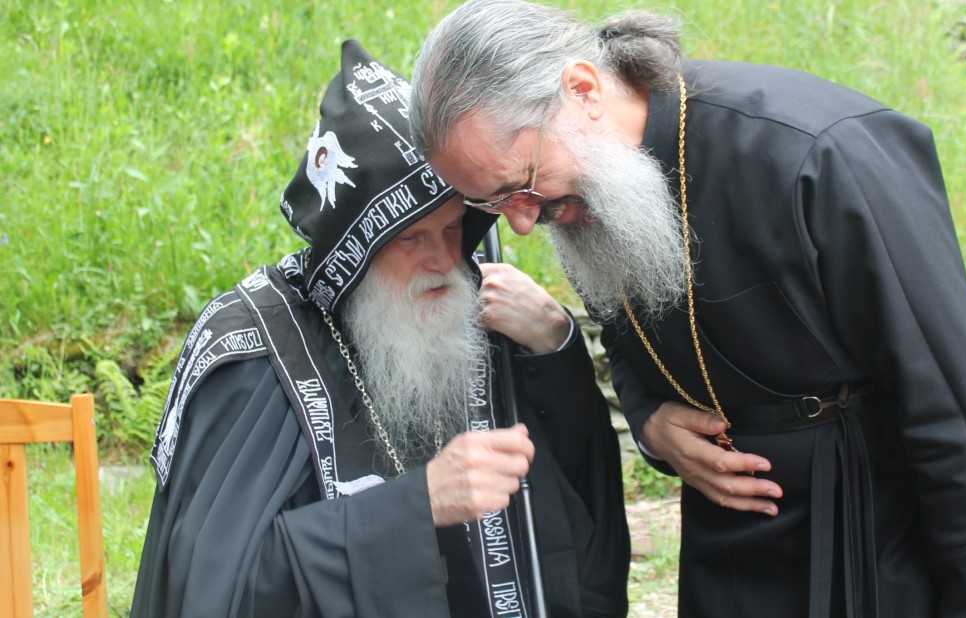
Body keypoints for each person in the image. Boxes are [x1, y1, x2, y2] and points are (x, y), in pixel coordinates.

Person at [408, 0, 966, 618]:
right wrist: (649, 421)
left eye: (519, 184)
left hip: (874, 533)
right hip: (727, 541)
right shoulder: (586, 191)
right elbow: (628, 336)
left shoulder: (814, 152)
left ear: (584, 89)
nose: (520, 222)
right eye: (492, 203)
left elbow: (956, 407)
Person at [129, 39, 630, 618]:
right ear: (355, 249)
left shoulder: (476, 312)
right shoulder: (256, 351)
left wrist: (557, 346)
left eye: (452, 230)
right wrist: (417, 506)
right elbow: (216, 585)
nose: (442, 259)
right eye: (410, 238)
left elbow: (574, 512)